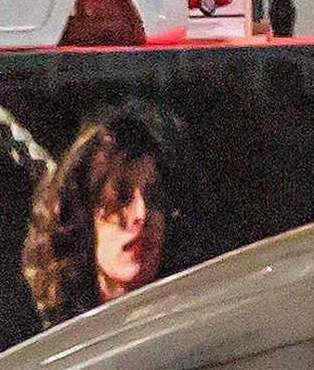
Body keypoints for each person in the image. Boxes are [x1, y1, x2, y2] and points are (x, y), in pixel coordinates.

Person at [18, 105, 202, 321]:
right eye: (121, 196)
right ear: (80, 215)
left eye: (156, 197)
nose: (141, 214)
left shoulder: (201, 326)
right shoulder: (56, 349)